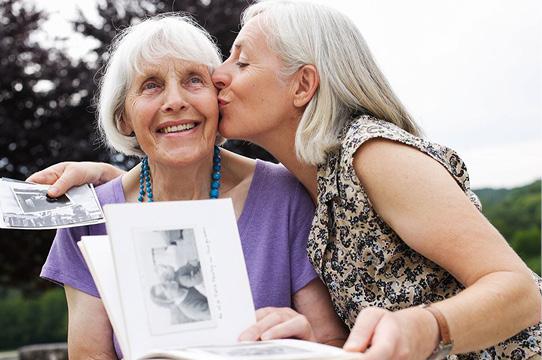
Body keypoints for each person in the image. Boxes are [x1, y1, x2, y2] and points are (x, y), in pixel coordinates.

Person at [31, 1, 542, 359]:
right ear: (124, 118)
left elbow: (521, 289)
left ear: (302, 85)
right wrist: (113, 182)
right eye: (150, 87)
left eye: (240, 61)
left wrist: (423, 327)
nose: (218, 78)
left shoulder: (370, 154)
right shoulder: (317, 179)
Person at [37, 14, 347, 360]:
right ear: (124, 117)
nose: (175, 101)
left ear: (219, 100)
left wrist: (303, 344)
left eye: (194, 80)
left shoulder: (284, 196)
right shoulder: (88, 219)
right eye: (151, 85)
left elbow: (331, 344)